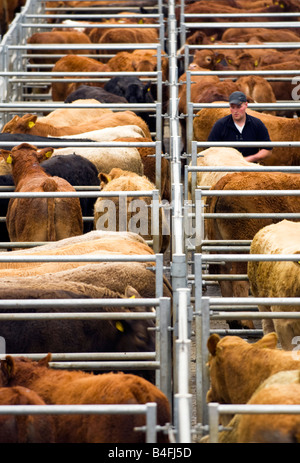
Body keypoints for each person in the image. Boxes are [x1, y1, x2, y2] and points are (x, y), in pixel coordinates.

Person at [207, 91, 272, 163]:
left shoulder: (257, 124)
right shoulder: (220, 125)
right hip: (227, 167)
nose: (235, 111)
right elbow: (210, 150)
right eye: (232, 107)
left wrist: (250, 159)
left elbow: (267, 150)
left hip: (250, 166)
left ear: (246, 105)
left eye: (239, 107)